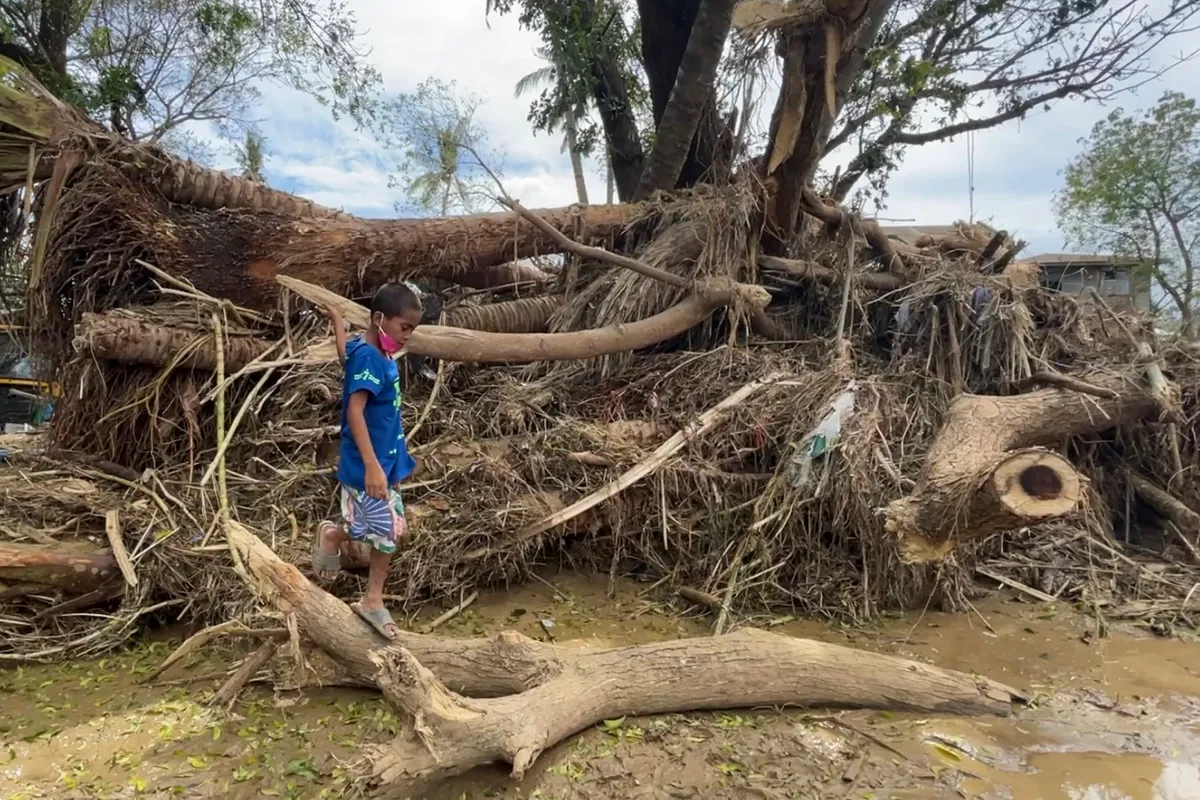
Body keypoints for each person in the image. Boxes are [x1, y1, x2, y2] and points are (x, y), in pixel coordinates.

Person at [312, 283, 421, 639]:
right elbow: (354, 410)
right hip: (367, 465)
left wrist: (338, 323)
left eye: (412, 330)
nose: (407, 336)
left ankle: (332, 536)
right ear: (379, 319)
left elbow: (346, 357)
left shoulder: (369, 348)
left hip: (385, 461)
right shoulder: (371, 358)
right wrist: (373, 466)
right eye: (404, 327)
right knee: (388, 531)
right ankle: (372, 601)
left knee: (368, 528)